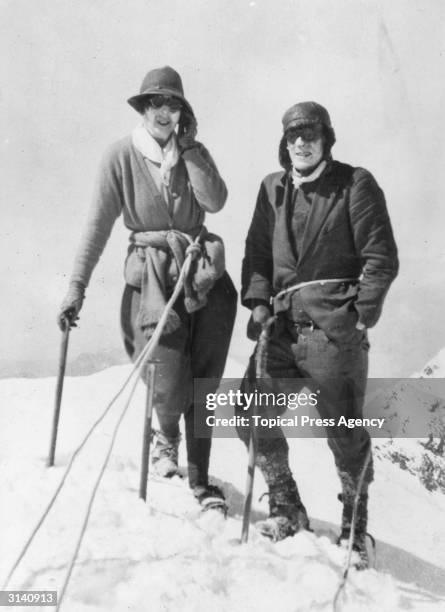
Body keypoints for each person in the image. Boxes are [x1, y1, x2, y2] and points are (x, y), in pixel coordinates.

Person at [59, 66, 237, 510]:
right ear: (143, 108)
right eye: (156, 103)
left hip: (203, 274)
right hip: (152, 279)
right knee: (168, 377)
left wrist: (192, 150)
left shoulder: (193, 151)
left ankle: (200, 480)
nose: (164, 112)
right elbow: (96, 227)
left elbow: (215, 201)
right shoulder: (119, 156)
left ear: (183, 112)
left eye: (173, 104)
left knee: (205, 380)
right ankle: (165, 435)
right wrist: (76, 287)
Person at [238, 101, 398, 566]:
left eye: (310, 135)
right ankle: (287, 507)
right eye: (293, 137)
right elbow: (256, 256)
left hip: (333, 332)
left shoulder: (354, 183)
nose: (301, 144)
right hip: (282, 328)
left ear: (326, 138)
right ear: (284, 143)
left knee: (345, 431)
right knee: (251, 409)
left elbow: (380, 255)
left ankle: (354, 531)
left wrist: (360, 314)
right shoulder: (272, 190)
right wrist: (260, 303)